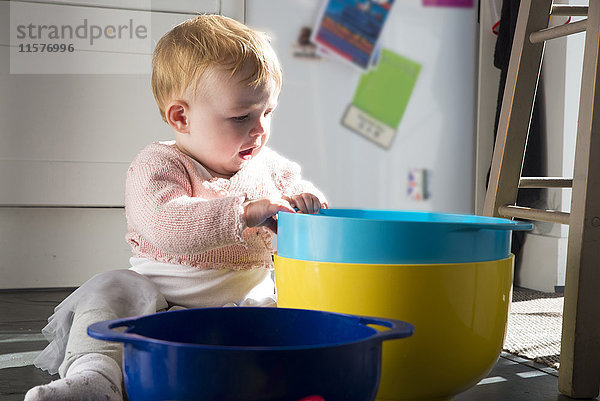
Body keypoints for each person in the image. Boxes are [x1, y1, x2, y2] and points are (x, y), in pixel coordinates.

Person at [25, 14, 326, 401]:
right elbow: (168, 225)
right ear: (181, 117)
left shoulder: (271, 167)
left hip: (243, 305)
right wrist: (245, 213)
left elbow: (300, 192)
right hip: (159, 303)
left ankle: (255, 376)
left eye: (267, 112)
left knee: (288, 310)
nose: (259, 129)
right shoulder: (158, 164)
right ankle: (96, 376)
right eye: (241, 116)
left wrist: (306, 203)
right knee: (109, 289)